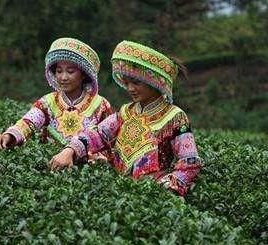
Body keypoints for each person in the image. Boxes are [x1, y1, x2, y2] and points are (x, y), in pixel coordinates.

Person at [49, 40, 203, 196]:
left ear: (155, 82)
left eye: (136, 83)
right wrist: (70, 150)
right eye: (127, 82)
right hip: (120, 194)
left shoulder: (175, 117)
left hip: (153, 199)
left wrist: (161, 191)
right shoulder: (126, 112)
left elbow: (189, 164)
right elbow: (99, 134)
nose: (130, 89)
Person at [0, 37, 112, 160]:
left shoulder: (100, 105)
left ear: (83, 75)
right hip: (51, 168)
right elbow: (28, 123)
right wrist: (9, 136)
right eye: (59, 71)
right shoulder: (48, 102)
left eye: (70, 71)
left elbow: (108, 142)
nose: (63, 77)